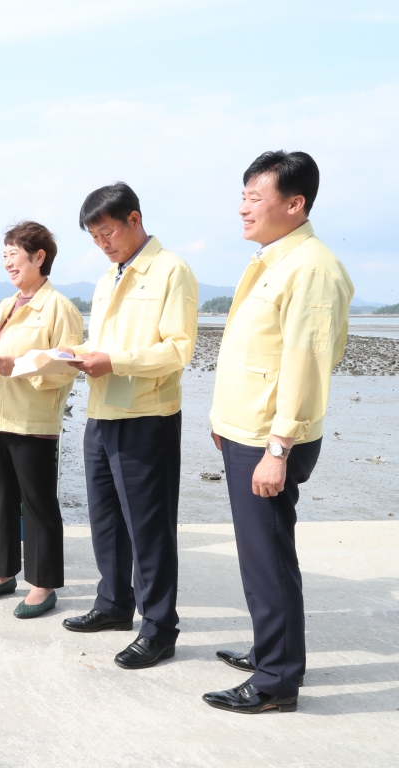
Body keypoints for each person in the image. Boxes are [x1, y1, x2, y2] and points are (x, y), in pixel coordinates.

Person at [203, 151, 353, 714]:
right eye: (243, 196)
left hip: (271, 440)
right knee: (262, 552)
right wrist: (226, 425)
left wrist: (277, 448)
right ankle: (275, 652)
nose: (244, 208)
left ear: (295, 204)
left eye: (255, 198)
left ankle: (275, 682)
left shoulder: (310, 268)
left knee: (266, 556)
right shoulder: (273, 259)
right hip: (247, 432)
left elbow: (306, 364)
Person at [61, 183, 198, 669]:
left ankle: (159, 627)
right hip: (102, 412)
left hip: (146, 414)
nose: (102, 243)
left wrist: (114, 361)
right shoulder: (106, 279)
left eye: (108, 232)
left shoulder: (171, 270)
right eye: (95, 237)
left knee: (149, 527)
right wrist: (76, 356)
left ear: (134, 219)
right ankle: (114, 604)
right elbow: (104, 343)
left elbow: (178, 349)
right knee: (105, 518)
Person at [0, 221, 82, 618]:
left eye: (14, 253)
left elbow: (68, 366)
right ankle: (3, 572)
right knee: (1, 499)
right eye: (5, 255)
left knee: (38, 504)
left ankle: (43, 583)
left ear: (39, 257)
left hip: (32, 421)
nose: (7, 261)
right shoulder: (5, 304)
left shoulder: (59, 308)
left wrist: (17, 366)